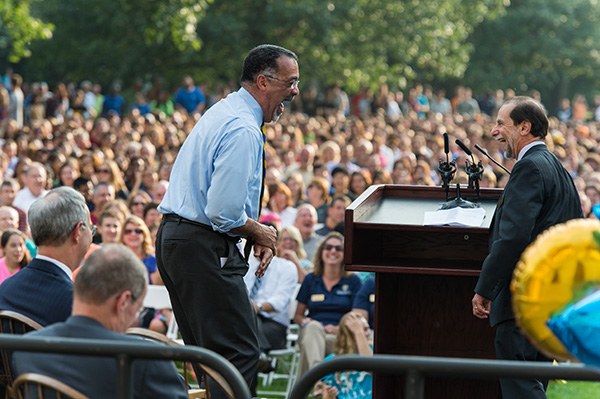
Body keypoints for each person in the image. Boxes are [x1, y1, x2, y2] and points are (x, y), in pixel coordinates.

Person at [157, 44, 298, 398]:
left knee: (209, 356)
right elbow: (222, 211)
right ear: (263, 82)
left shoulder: (225, 111)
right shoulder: (243, 129)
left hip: (180, 241)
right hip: (200, 246)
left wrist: (251, 230)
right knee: (238, 353)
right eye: (291, 82)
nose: (295, 91)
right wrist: (261, 231)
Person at [471, 96, 583, 399]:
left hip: (525, 300)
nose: (494, 132)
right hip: (551, 300)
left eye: (500, 123)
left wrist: (485, 288)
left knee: (521, 385)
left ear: (524, 127)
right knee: (532, 381)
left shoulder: (530, 168)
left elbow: (513, 237)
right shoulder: (557, 169)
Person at [12, 244, 188, 399]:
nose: (135, 316)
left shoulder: (26, 351)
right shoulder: (145, 360)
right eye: (138, 307)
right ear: (124, 301)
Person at [0, 187, 94, 326]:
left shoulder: (5, 289)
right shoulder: (78, 304)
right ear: (77, 232)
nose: (92, 236)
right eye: (92, 229)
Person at [294, 232, 362, 391]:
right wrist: (305, 321)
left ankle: (306, 388)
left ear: (345, 254)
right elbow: (298, 315)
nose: (333, 251)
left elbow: (358, 315)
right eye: (329, 247)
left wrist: (339, 329)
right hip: (313, 331)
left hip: (341, 335)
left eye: (339, 248)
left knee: (311, 347)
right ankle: (321, 379)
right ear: (321, 252)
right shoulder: (311, 279)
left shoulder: (353, 281)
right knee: (313, 329)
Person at [243, 229, 298, 396]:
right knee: (247, 344)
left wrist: (256, 307)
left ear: (276, 245)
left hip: (273, 325)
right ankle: (258, 357)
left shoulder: (287, 267)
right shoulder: (245, 265)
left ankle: (245, 394)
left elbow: (280, 301)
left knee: (244, 345)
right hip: (248, 321)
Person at [321, 312, 373, 399]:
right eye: (361, 329)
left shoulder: (374, 353)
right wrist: (329, 396)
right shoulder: (331, 362)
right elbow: (326, 397)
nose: (367, 334)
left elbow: (370, 366)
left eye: (367, 329)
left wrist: (358, 331)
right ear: (347, 335)